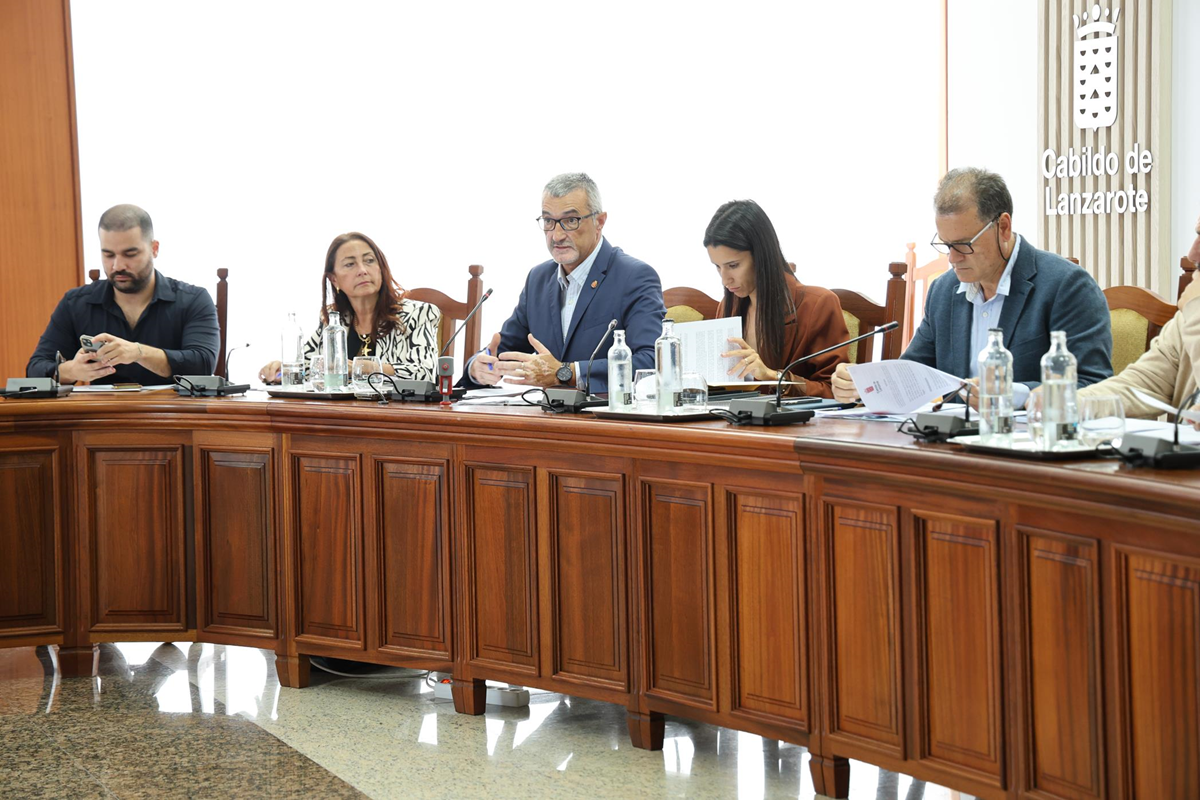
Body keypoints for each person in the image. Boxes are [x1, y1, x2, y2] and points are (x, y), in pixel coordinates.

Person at [831, 167, 1113, 405]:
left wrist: (1013, 394)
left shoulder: (1066, 285)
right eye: (946, 245)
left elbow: (1093, 384)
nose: (953, 258)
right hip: (952, 448)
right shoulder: (943, 291)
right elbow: (913, 375)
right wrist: (862, 385)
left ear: (1003, 227)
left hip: (1029, 450)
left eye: (964, 245)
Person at [463, 173, 666, 392]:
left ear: (599, 222)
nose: (557, 235)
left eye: (570, 221)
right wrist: (478, 367)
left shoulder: (634, 277)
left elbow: (651, 363)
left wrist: (566, 373)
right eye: (549, 221)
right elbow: (502, 352)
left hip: (605, 419)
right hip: (545, 416)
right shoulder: (538, 279)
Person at [27, 204, 219, 384]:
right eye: (108, 255)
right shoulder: (76, 303)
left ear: (154, 249)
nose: (118, 266)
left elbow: (203, 365)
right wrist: (71, 371)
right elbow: (35, 370)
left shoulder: (193, 299)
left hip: (173, 415)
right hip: (100, 416)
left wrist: (138, 352)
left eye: (130, 254)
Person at [704, 199, 849, 397]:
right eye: (717, 267)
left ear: (761, 255)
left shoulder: (818, 304)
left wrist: (772, 376)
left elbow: (835, 391)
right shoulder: (727, 308)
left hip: (795, 426)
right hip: (734, 423)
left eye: (733, 265)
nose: (725, 280)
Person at [258, 232, 440, 384]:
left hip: (396, 418)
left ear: (381, 268)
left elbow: (425, 373)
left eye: (369, 261)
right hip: (342, 417)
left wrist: (367, 367)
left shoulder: (418, 314)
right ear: (334, 279)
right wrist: (281, 369)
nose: (362, 270)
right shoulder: (334, 320)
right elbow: (308, 367)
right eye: (350, 264)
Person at [1077, 213, 1200, 426]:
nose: (1192, 253)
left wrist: (1195, 307)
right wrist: (1068, 404)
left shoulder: (1194, 313)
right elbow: (1144, 384)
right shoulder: (1186, 321)